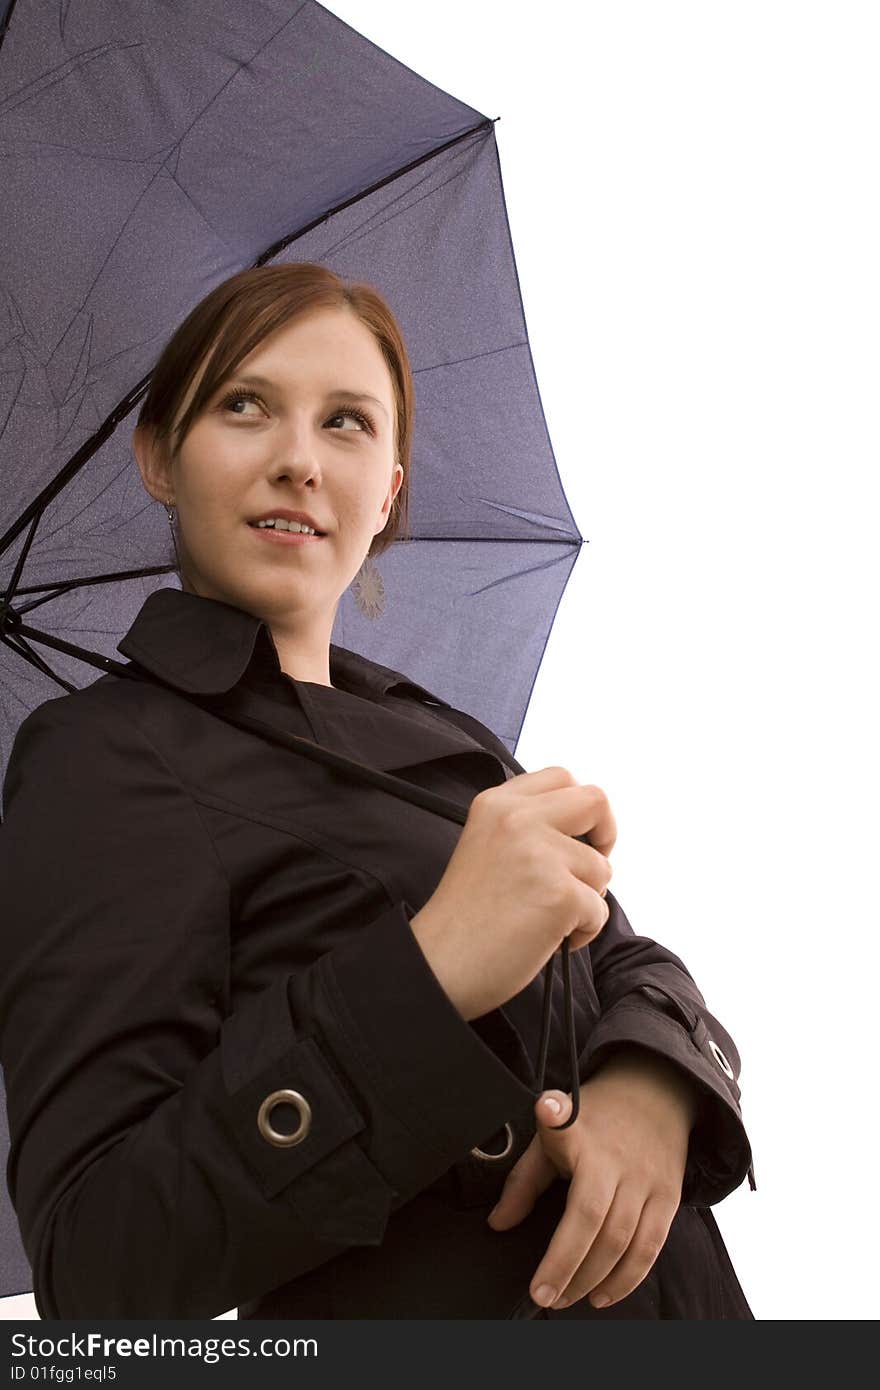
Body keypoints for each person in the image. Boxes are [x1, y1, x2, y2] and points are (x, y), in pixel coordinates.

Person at [0, 264, 755, 1320]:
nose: (298, 461)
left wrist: (651, 1083)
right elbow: (100, 1264)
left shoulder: (455, 739)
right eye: (244, 404)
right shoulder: (104, 750)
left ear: (390, 487)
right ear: (159, 454)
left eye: (346, 422)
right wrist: (429, 968)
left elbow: (623, 956)